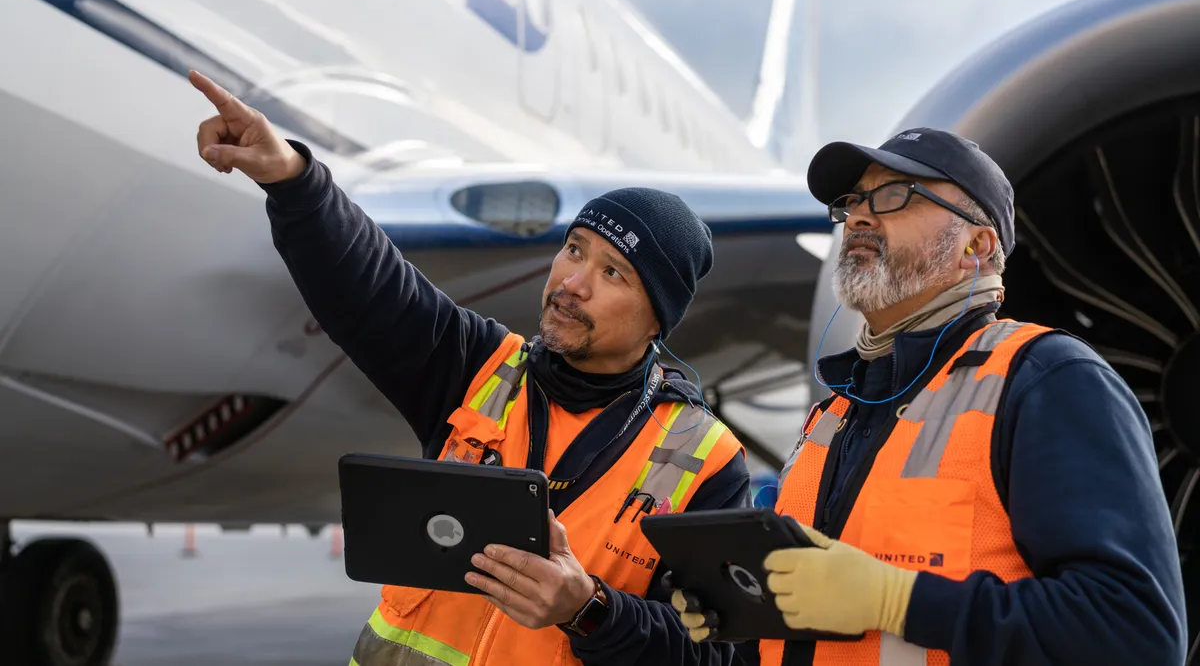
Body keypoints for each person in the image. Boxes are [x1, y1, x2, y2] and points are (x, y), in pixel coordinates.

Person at [187, 69, 756, 666]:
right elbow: (373, 287)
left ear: (656, 321)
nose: (571, 283)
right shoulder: (479, 368)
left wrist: (588, 610)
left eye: (612, 272)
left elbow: (721, 655)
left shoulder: (705, 460)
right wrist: (294, 182)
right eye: (574, 249)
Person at [670, 127, 1188, 665]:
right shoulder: (836, 412)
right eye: (853, 202)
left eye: (895, 195)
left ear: (976, 246)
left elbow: (1136, 635)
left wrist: (896, 600)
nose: (860, 217)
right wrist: (741, 610)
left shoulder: (1046, 381)